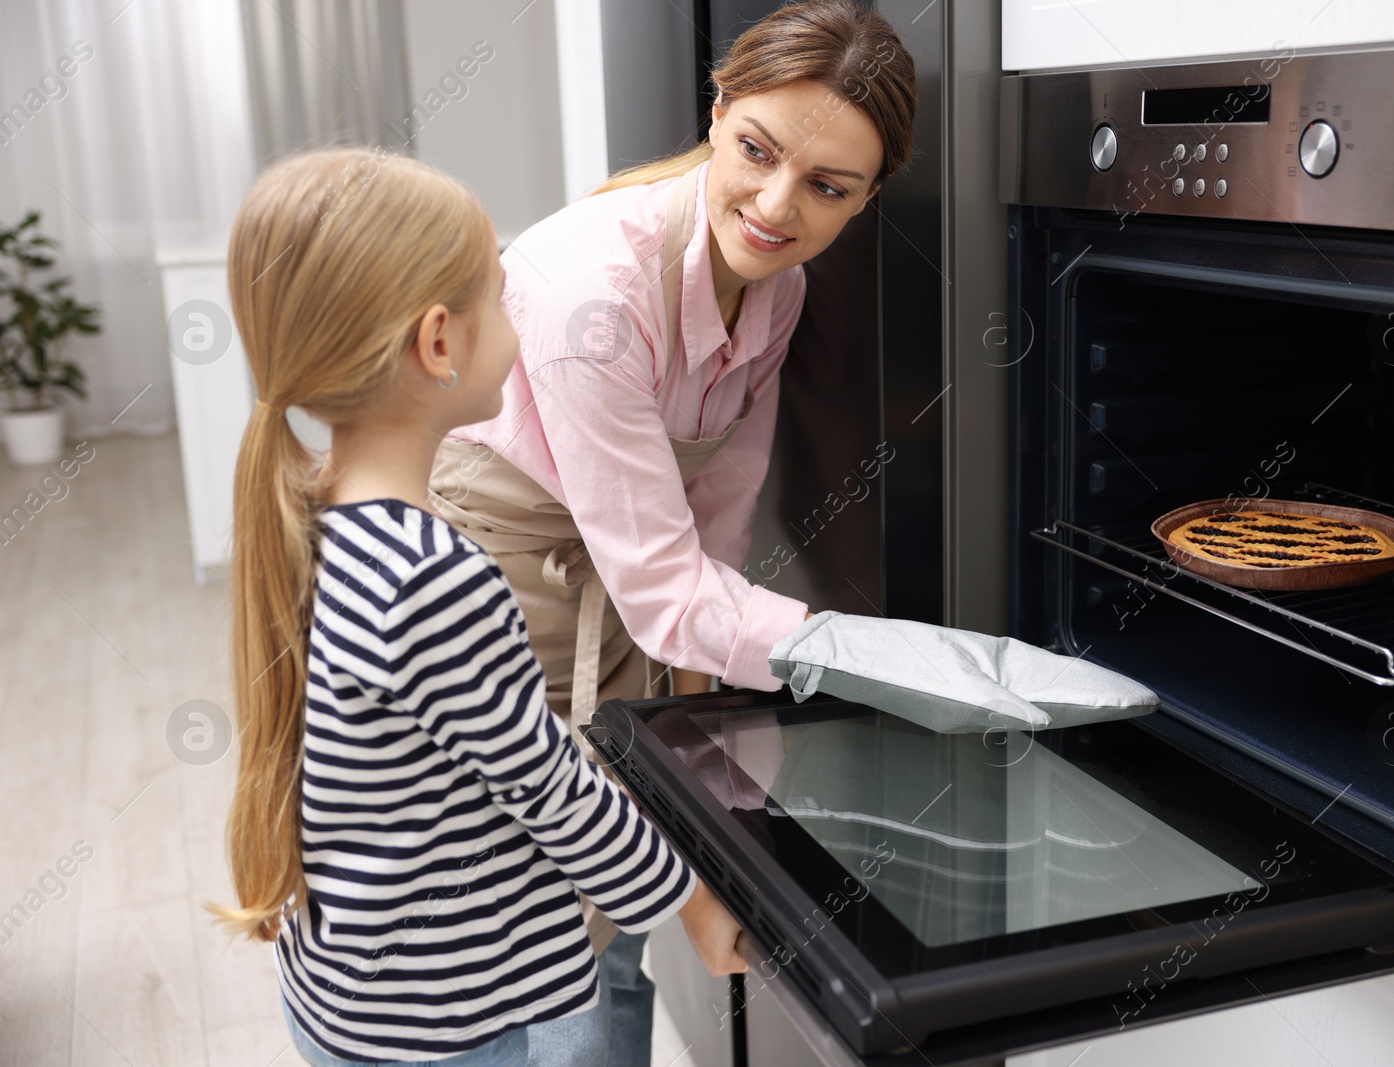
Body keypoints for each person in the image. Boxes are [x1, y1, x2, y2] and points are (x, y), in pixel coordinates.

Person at [427, 5, 916, 1058]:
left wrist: (699, 733)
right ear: (719, 108)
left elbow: (718, 515)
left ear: (868, 196)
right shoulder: (591, 291)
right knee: (525, 900)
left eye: (828, 187)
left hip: (623, 579)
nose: (778, 206)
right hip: (506, 586)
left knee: (611, 891)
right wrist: (865, 650)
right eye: (756, 151)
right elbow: (661, 587)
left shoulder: (774, 285)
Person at [210, 148, 747, 1067]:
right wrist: (696, 903)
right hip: (472, 1018)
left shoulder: (313, 516)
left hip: (352, 992)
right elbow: (553, 791)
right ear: (438, 343)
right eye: (500, 298)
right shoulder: (432, 576)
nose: (516, 321)